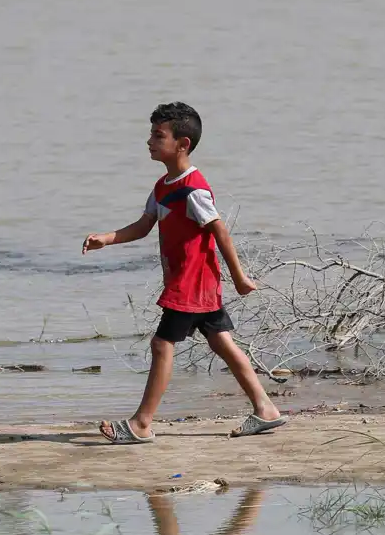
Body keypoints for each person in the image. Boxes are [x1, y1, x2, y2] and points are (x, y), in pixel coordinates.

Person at [81, 102, 284, 443]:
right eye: (151, 134)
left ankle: (141, 424)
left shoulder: (193, 189)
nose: (149, 141)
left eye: (158, 135)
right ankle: (266, 409)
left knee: (162, 344)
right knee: (221, 341)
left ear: (182, 144)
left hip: (191, 283)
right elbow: (144, 226)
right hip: (191, 283)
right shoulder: (163, 186)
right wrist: (108, 238)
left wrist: (238, 277)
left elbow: (220, 231)